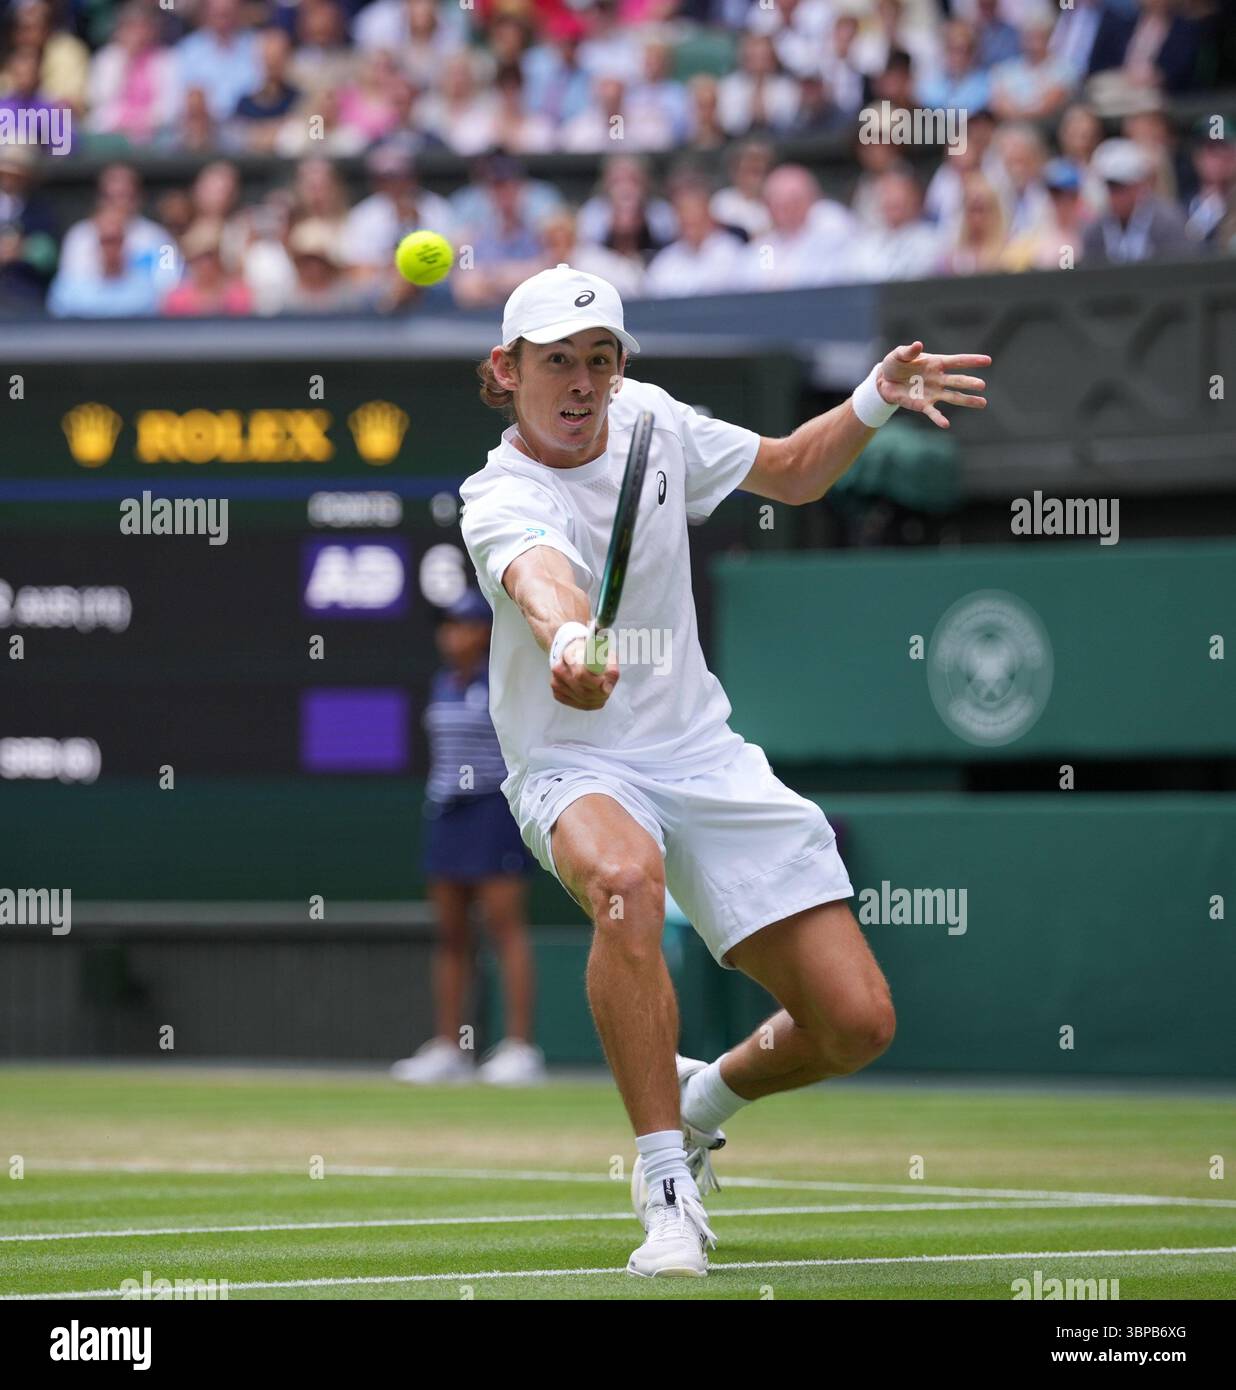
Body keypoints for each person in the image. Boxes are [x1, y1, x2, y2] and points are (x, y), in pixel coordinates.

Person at [458, 263, 989, 1276]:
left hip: (700, 751)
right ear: (505, 369)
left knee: (856, 1023)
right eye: (558, 361)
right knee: (623, 883)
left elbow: (791, 469)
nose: (582, 382)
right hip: (574, 761)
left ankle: (702, 1101)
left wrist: (873, 396)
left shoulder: (654, 423)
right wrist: (571, 643)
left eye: (600, 360)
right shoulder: (499, 494)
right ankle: (665, 1193)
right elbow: (542, 579)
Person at [391, 589, 544, 1086]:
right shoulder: (441, 684)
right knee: (452, 936)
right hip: (445, 814)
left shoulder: (503, 683)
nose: (451, 635)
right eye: (446, 625)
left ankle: (520, 1049)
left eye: (463, 625)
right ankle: (450, 1049)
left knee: (504, 931)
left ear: (485, 632)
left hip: (492, 811)